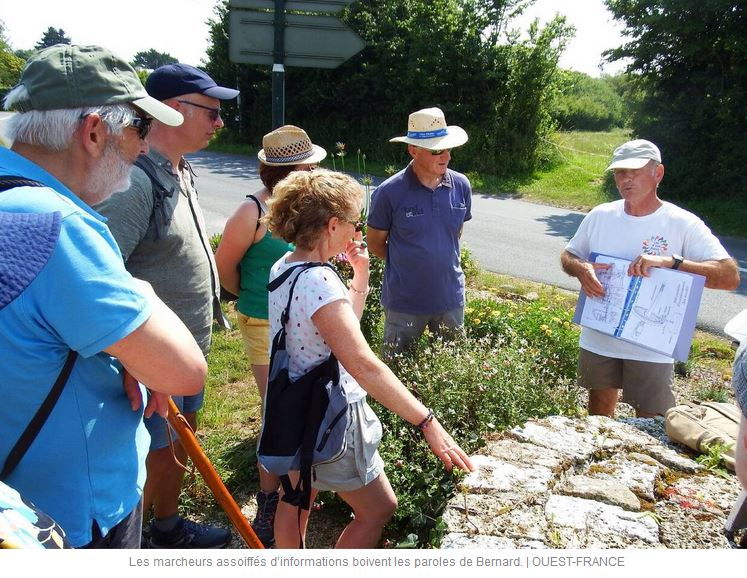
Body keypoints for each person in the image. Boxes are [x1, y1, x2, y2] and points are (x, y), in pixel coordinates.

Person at [0, 44, 207, 548]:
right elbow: (184, 371)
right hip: (67, 517)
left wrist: (124, 342)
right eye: (138, 128)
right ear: (93, 132)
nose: (142, 147)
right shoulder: (59, 227)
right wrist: (139, 292)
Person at [265, 169, 474, 548]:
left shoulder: (286, 266)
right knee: (379, 508)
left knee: (297, 496)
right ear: (331, 225)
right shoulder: (320, 281)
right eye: (353, 222)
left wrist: (359, 275)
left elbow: (339, 332)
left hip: (295, 406)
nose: (356, 232)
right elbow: (362, 364)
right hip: (331, 413)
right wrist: (426, 421)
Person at [93, 63, 238, 549]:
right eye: (212, 112)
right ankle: (130, 547)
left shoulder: (180, 170)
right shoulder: (136, 183)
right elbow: (101, 276)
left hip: (182, 350)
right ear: (174, 110)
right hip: (145, 361)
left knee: (177, 444)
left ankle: (168, 526)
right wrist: (132, 355)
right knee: (148, 454)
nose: (220, 123)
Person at [561, 139, 740, 418]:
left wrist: (673, 263)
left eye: (635, 171)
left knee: (653, 422)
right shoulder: (600, 215)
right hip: (599, 338)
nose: (626, 178)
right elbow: (569, 255)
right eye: (620, 172)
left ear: (658, 173)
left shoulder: (682, 222)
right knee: (597, 417)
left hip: (652, 348)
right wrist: (581, 268)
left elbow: (729, 277)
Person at [214, 124, 326, 547]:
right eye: (309, 163)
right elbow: (225, 266)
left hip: (303, 319)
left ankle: (295, 485)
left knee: (295, 403)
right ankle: (268, 498)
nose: (315, 168)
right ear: (291, 169)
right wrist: (251, 299)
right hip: (263, 322)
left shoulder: (305, 207)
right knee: (276, 408)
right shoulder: (252, 211)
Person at [367, 107, 472, 356]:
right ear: (413, 150)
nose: (446, 156)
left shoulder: (461, 185)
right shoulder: (389, 192)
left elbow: (454, 235)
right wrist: (409, 264)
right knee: (395, 373)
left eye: (448, 149)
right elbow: (375, 244)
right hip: (405, 302)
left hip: (450, 299)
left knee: (452, 375)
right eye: (437, 150)